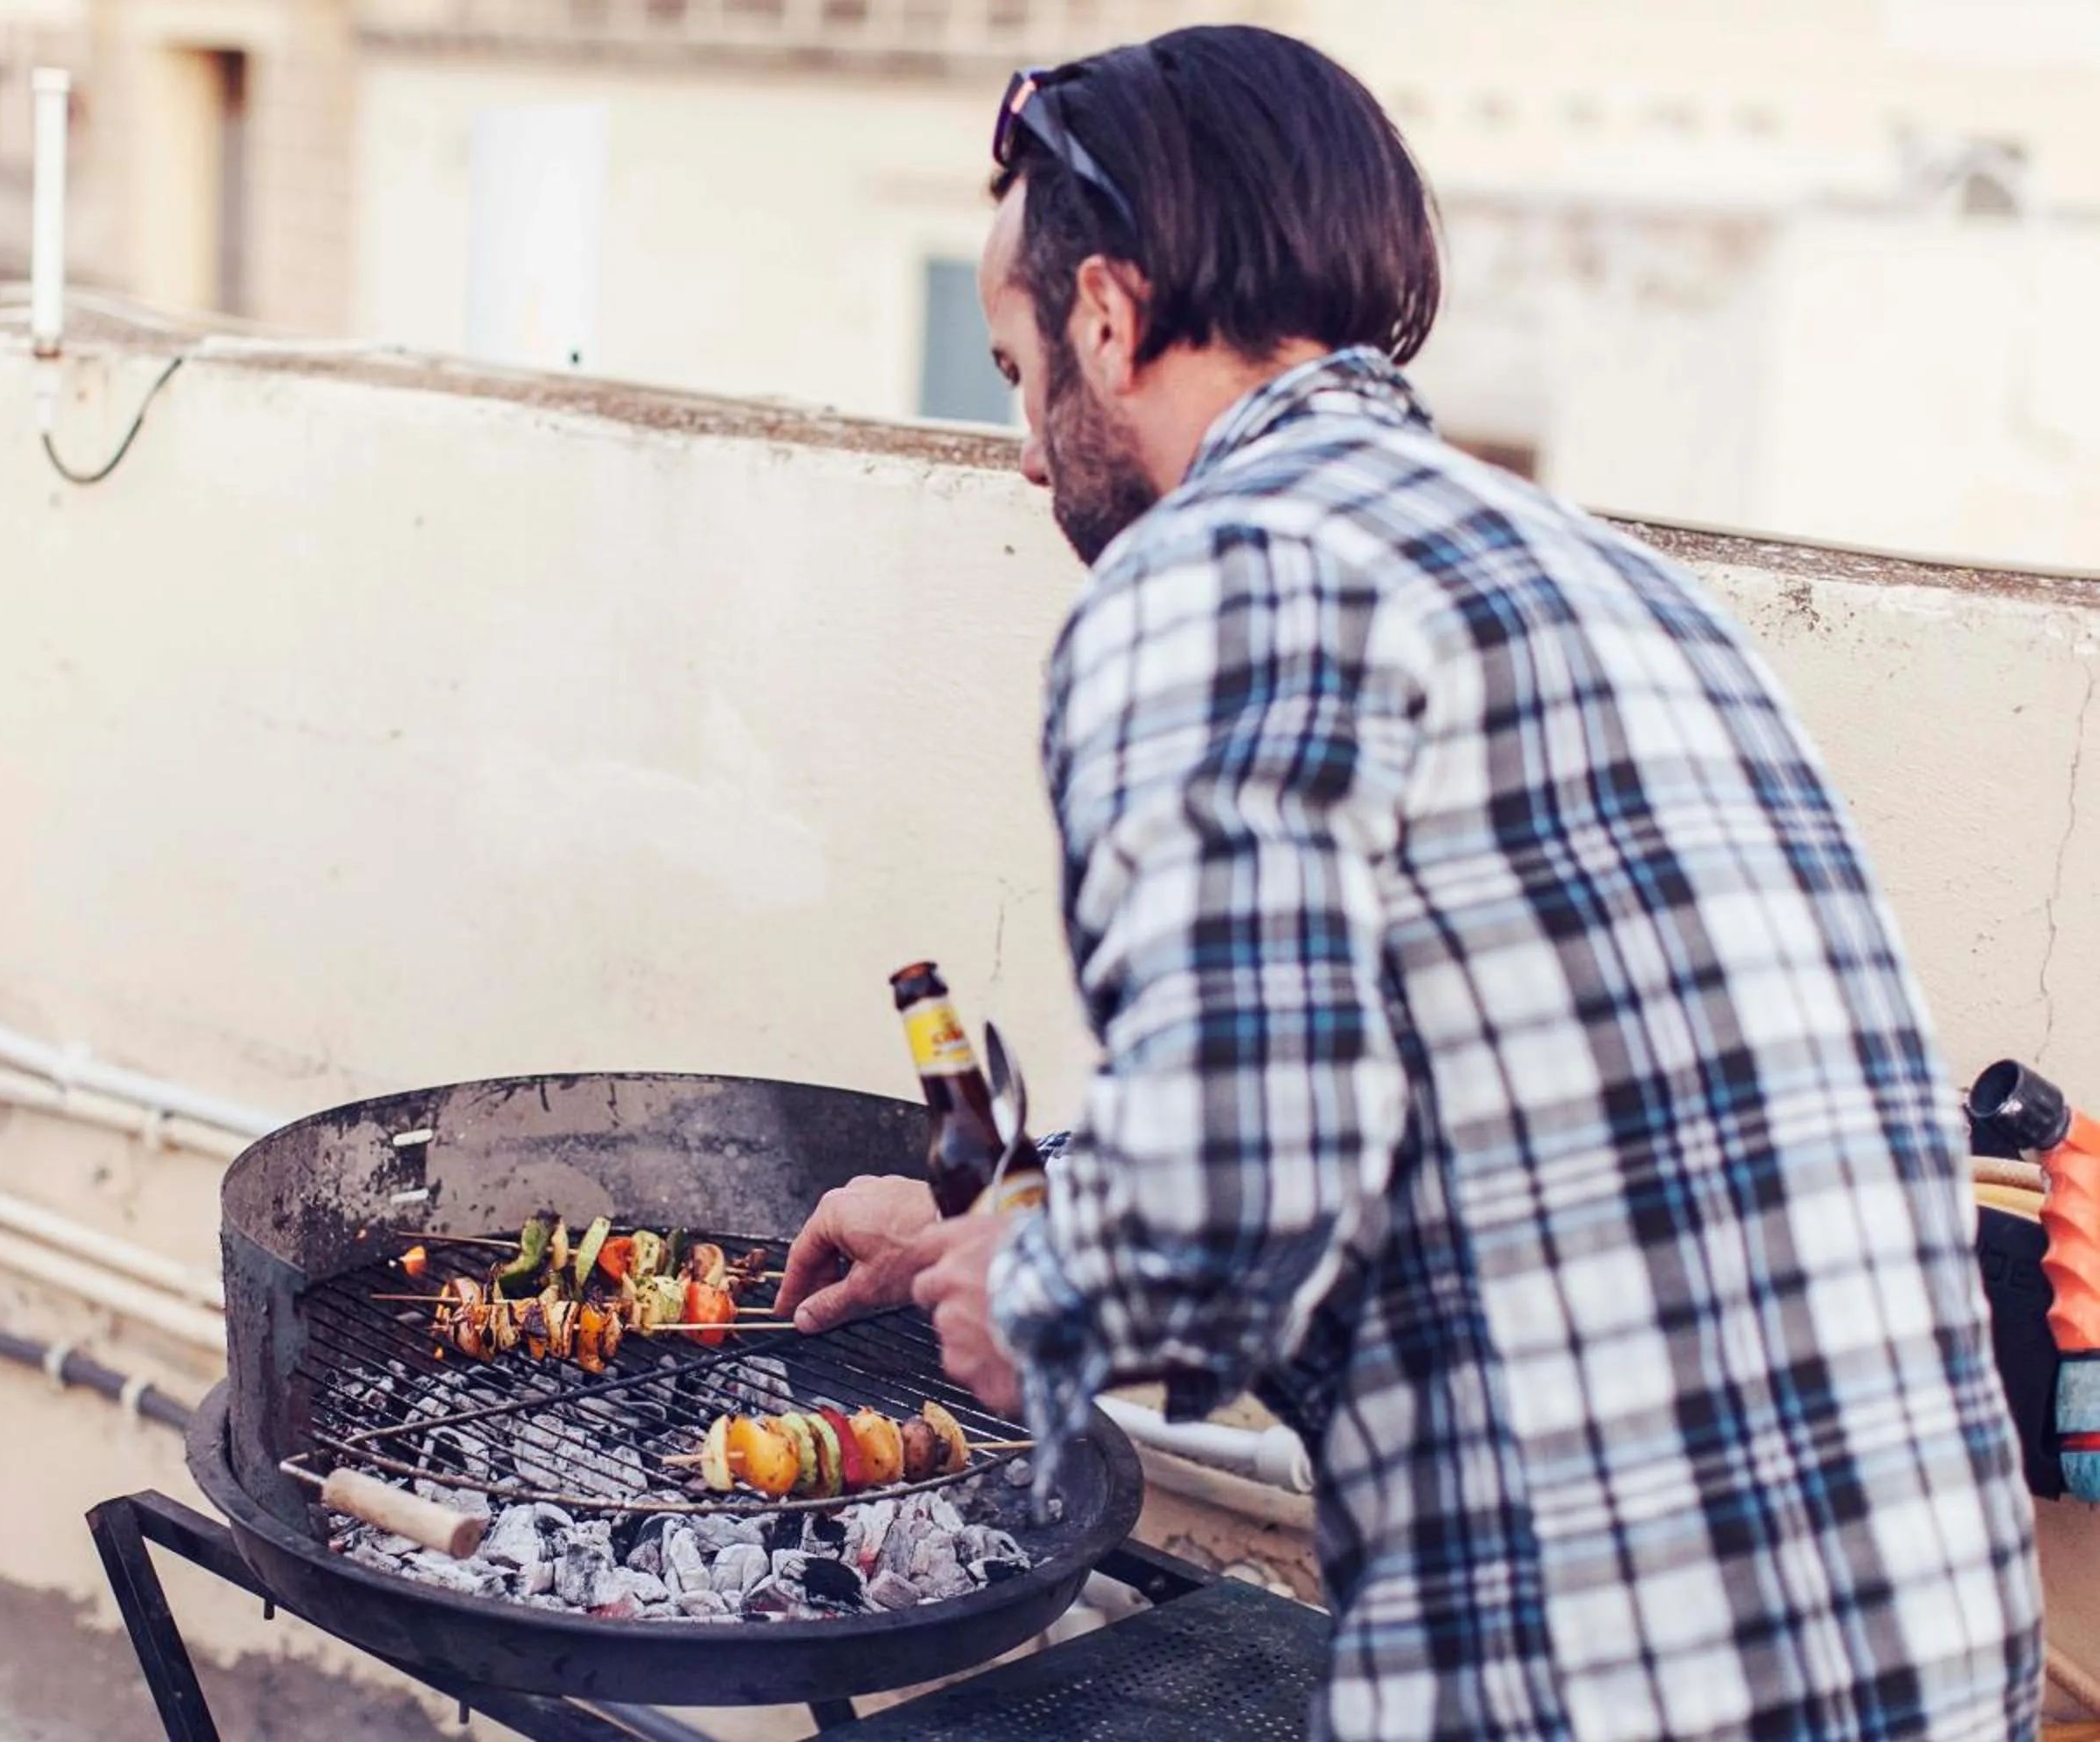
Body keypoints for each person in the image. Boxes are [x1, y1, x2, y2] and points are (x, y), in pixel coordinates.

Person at [775, 25, 2042, 1739]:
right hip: (1936, 1666)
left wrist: (1045, 1294)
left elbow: (1239, 1199)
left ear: (1106, 314)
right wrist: (979, 1223)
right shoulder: (1631, 592)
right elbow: (1439, 1105)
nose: (1019, 445)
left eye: (1012, 370)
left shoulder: (1214, 572)